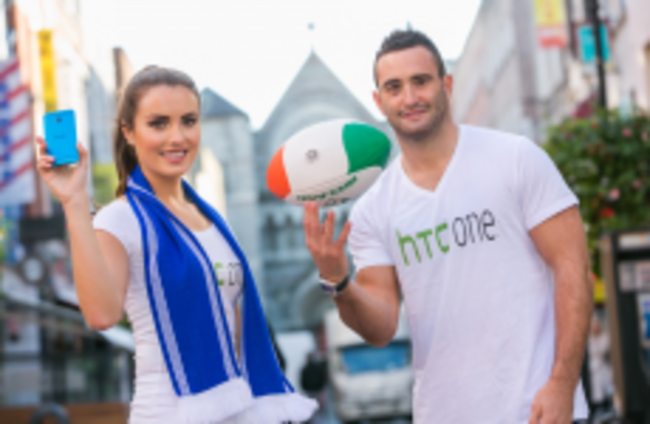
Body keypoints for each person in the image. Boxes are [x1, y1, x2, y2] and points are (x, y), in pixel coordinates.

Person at [303, 29, 593, 423]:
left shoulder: (515, 159)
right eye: (394, 87)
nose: (409, 98)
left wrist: (561, 383)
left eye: (420, 81)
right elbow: (381, 328)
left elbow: (575, 269)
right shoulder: (372, 209)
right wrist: (338, 283)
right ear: (379, 101)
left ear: (447, 85)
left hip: (537, 409)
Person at [36, 66, 316, 424]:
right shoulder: (121, 219)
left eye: (188, 121)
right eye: (158, 124)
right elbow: (101, 315)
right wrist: (74, 200)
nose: (177, 137)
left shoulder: (212, 220)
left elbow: (233, 327)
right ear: (129, 132)